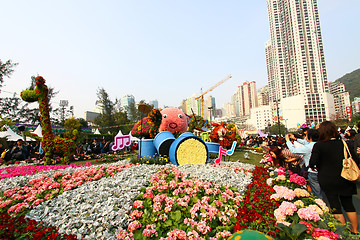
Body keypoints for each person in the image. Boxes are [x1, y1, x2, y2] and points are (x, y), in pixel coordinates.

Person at [309, 121, 359, 234]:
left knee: (335, 206)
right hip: (345, 177)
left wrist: (316, 167)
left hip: (328, 179)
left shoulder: (319, 145)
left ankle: (343, 232)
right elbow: (355, 159)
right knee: (349, 205)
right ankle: (355, 231)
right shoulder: (343, 143)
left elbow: (312, 162)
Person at [285, 129, 323, 199]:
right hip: (323, 170)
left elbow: (294, 150)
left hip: (313, 171)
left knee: (317, 193)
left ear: (310, 137)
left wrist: (288, 141)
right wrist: (296, 139)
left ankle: (323, 206)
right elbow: (306, 142)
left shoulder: (308, 147)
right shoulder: (320, 144)